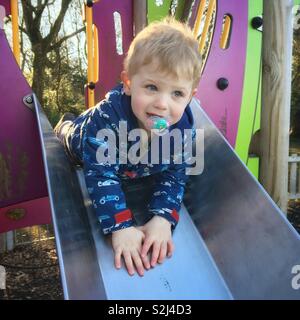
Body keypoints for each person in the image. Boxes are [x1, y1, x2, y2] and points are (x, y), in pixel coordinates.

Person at [54, 17, 202, 277]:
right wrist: (120, 226)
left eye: (177, 94)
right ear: (129, 83)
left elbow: (175, 173)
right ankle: (65, 123)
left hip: (131, 161)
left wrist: (163, 217)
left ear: (191, 96)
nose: (162, 104)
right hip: (84, 139)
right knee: (70, 135)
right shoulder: (106, 123)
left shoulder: (180, 130)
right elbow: (101, 175)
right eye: (152, 87)